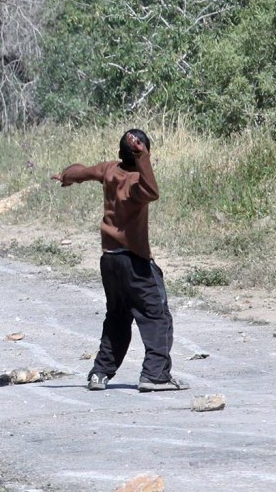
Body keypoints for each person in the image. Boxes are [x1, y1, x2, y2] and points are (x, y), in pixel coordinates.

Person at [52, 129, 188, 393]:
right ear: (142, 155)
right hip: (134, 261)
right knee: (157, 316)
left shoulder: (109, 170)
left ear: (119, 153)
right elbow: (152, 191)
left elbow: (81, 171)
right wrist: (144, 158)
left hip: (109, 260)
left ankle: (100, 373)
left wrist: (67, 176)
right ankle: (155, 375)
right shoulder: (137, 184)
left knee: (117, 317)